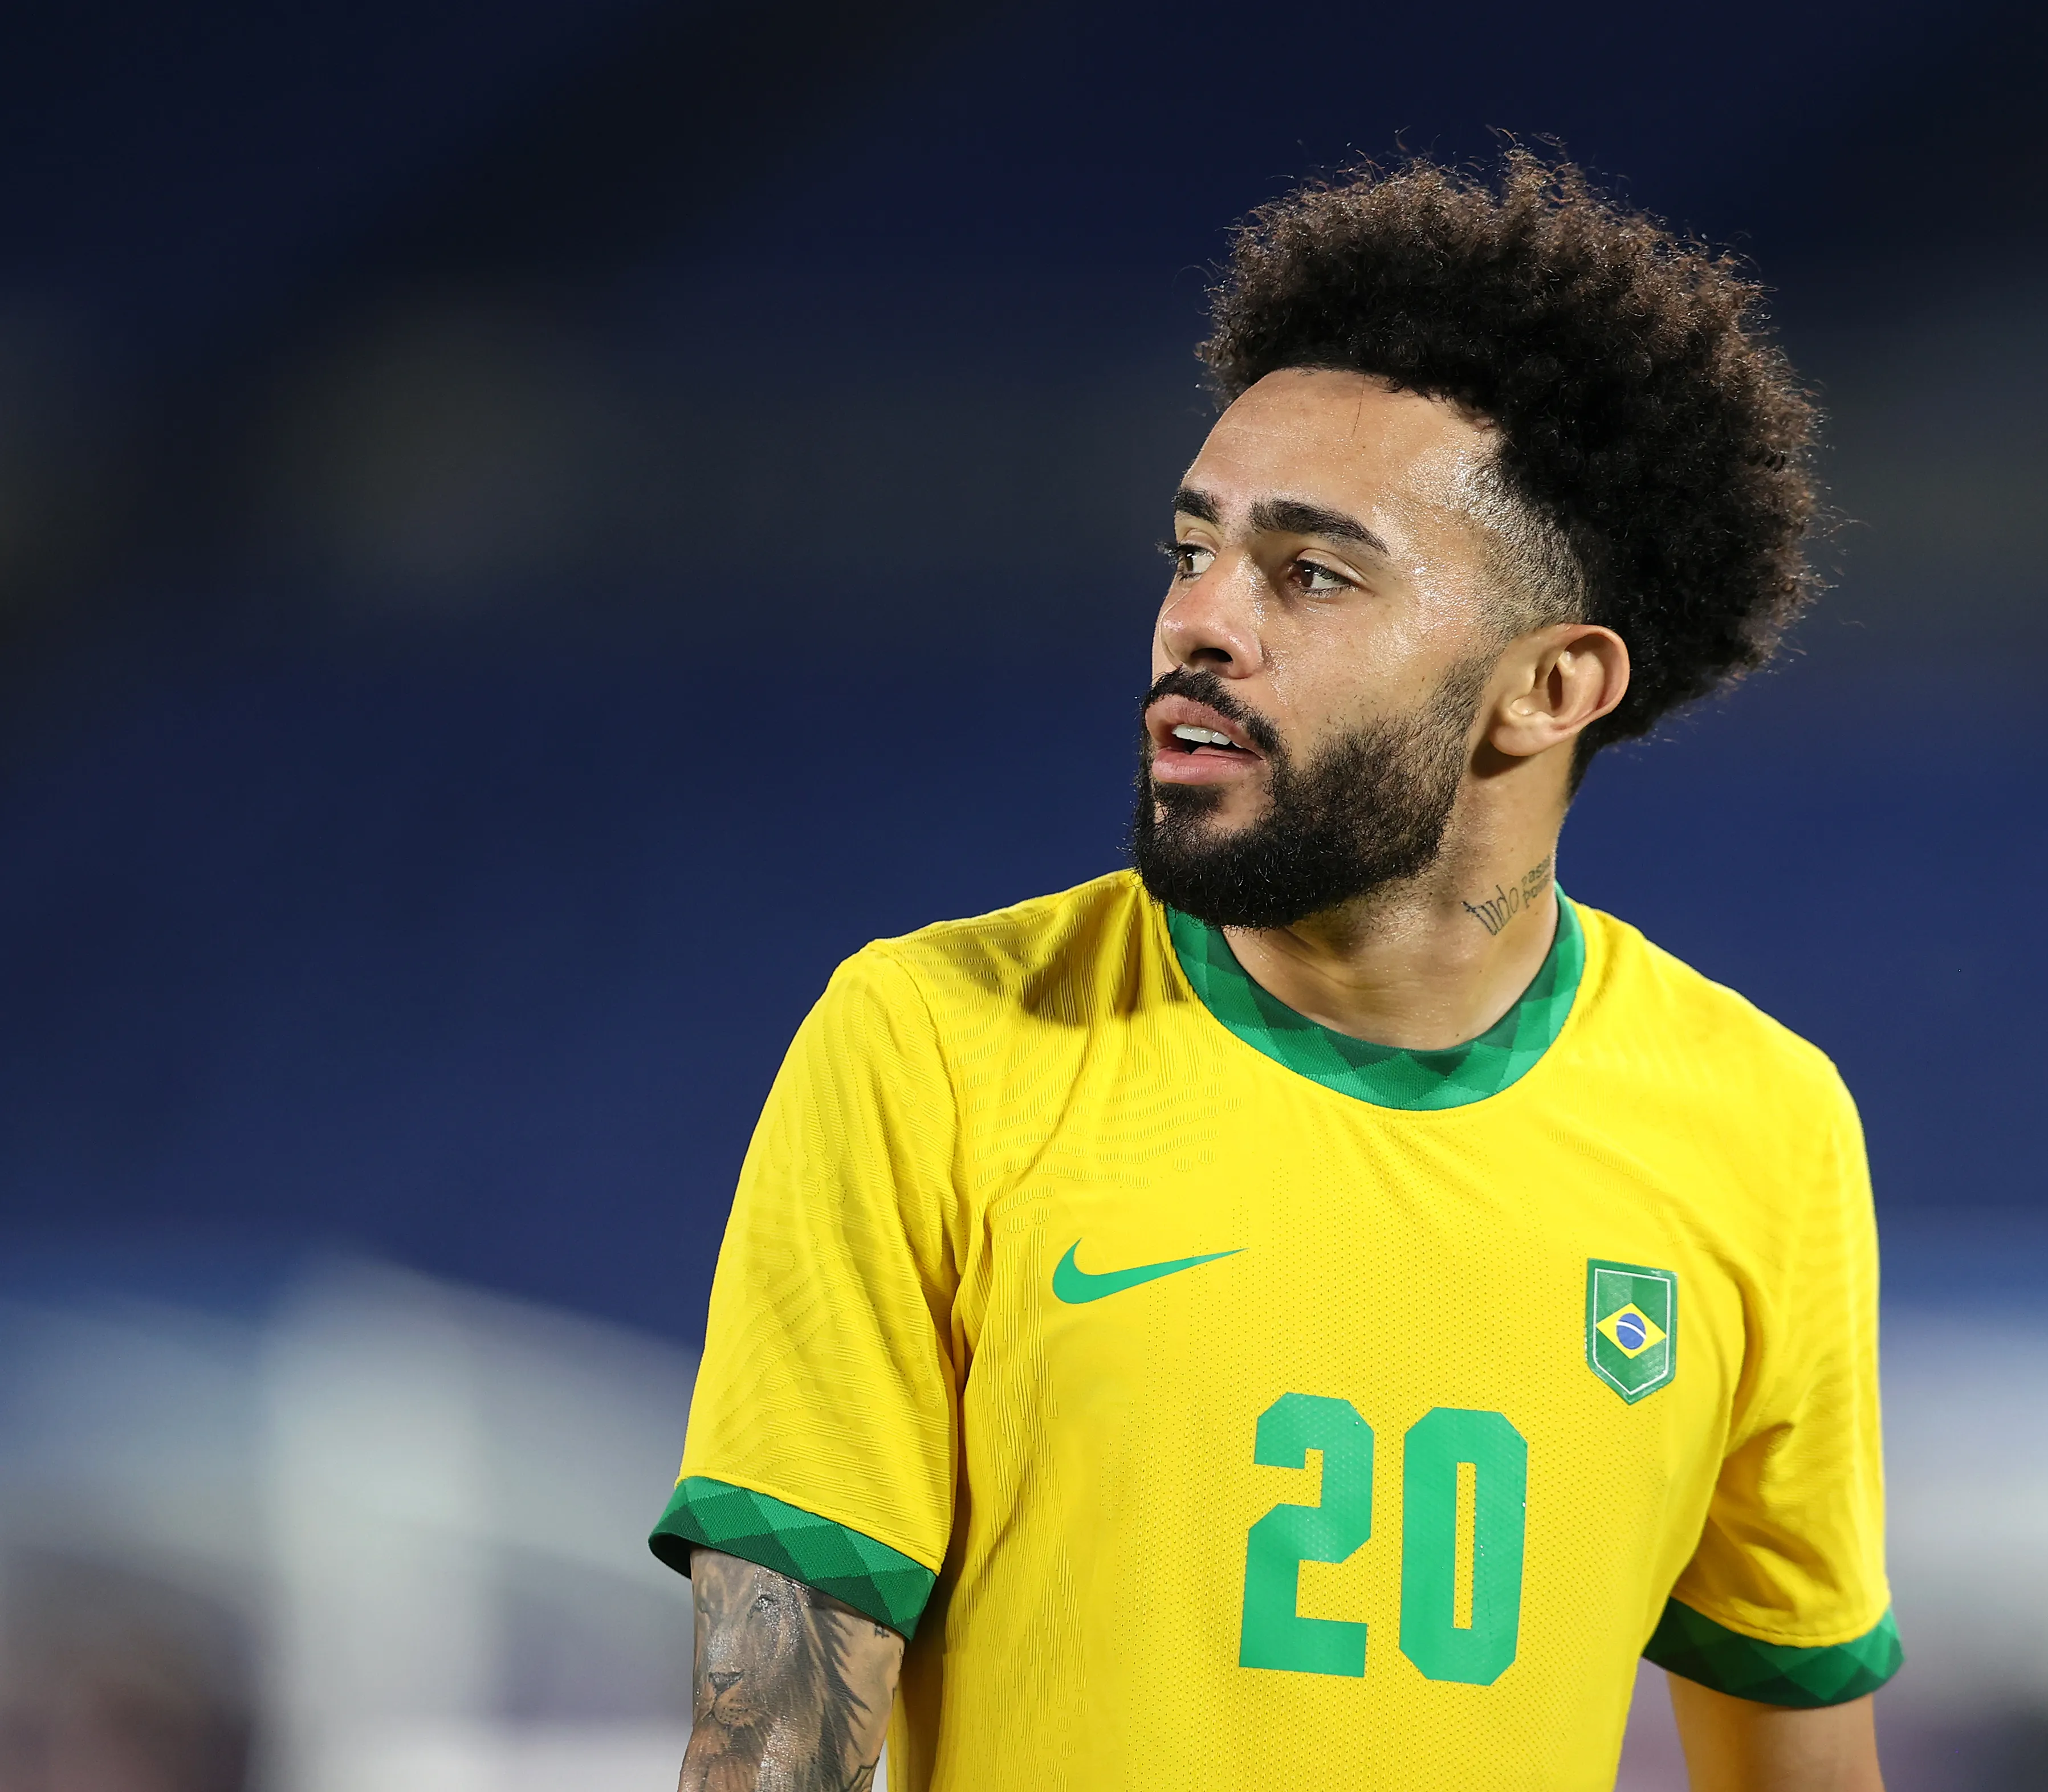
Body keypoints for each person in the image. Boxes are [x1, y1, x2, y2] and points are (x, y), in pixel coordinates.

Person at [655, 152, 1896, 1792]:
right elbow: (770, 1758)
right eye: (1192, 551)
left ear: (1548, 689)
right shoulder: (935, 1043)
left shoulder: (1761, 1126)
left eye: (1309, 573)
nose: (1198, 623)